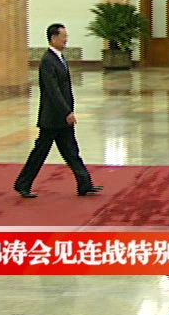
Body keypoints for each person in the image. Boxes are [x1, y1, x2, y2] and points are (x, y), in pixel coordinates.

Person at [13, 23, 102, 198]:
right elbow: (53, 91)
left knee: (72, 151)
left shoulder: (59, 58)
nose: (66, 40)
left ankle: (85, 184)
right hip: (52, 118)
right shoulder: (47, 60)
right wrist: (66, 112)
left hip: (62, 117)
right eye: (63, 37)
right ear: (53, 38)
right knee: (40, 152)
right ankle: (23, 184)